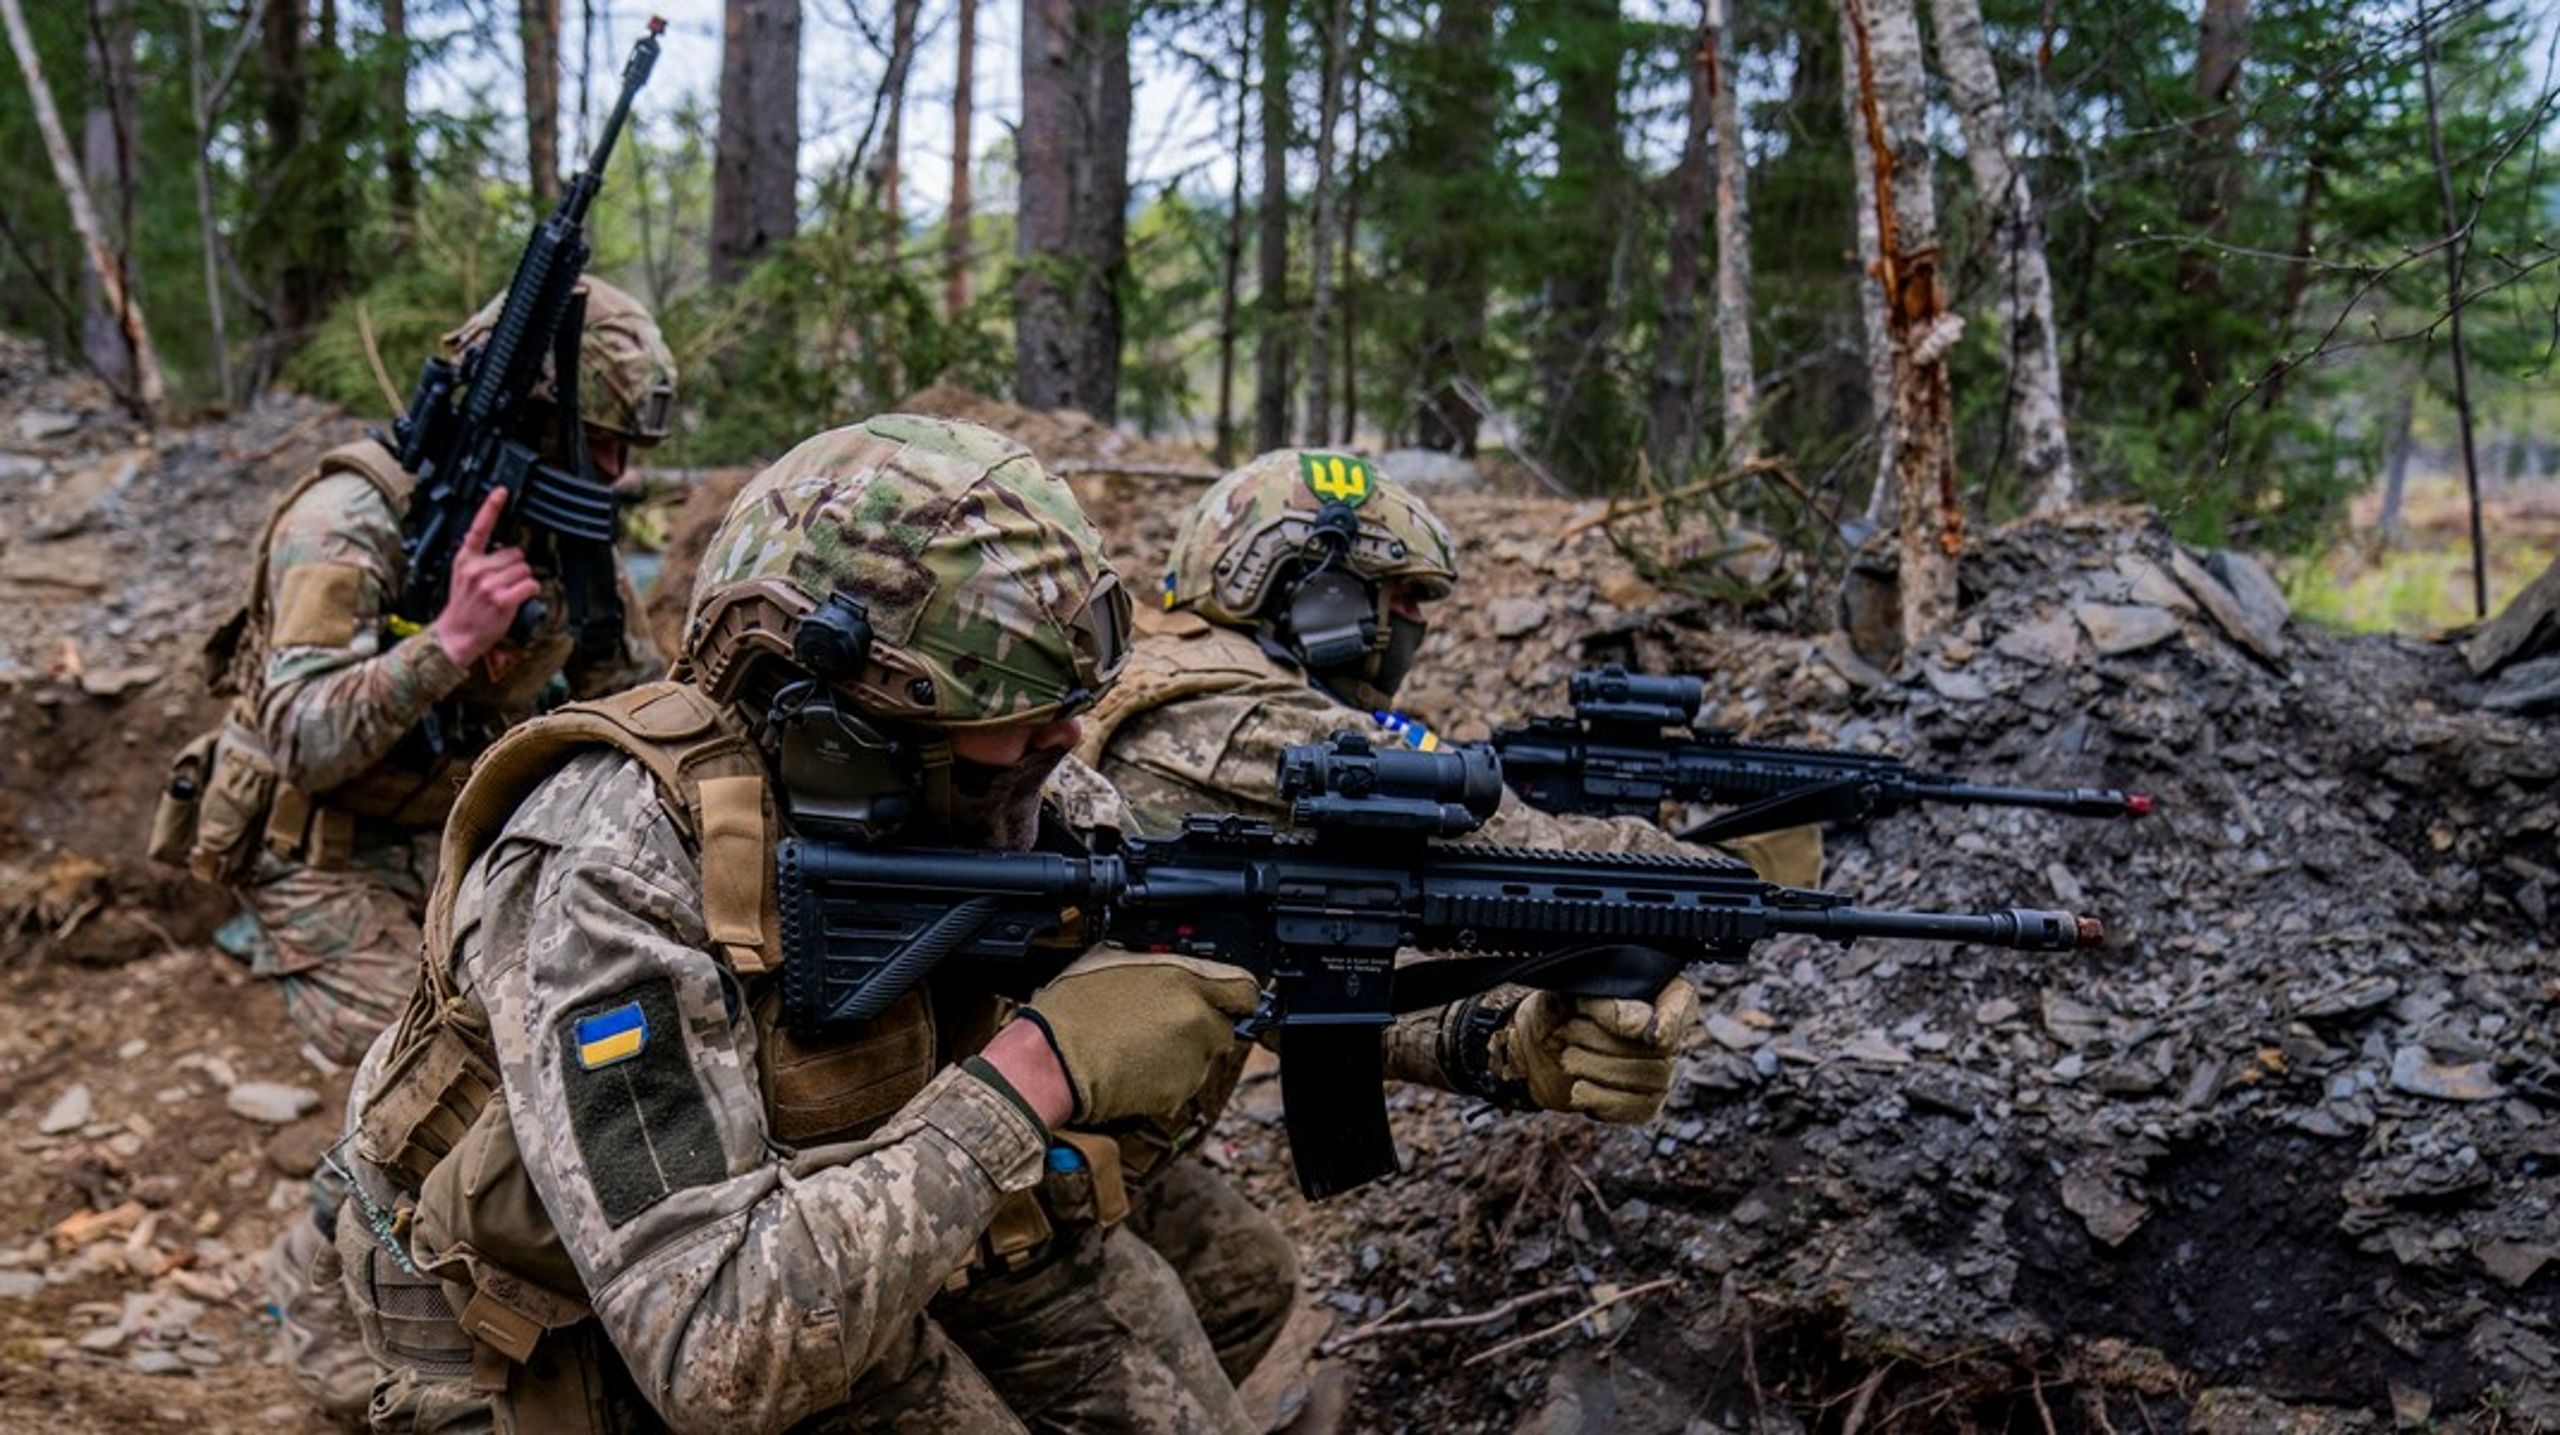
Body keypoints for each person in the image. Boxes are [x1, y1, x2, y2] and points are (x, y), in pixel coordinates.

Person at [332, 414, 1272, 1432]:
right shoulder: (608, 862)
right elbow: (713, 1355)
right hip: (561, 1328)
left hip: (817, 1216)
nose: (1068, 737)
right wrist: (1036, 1071)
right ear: (845, 727)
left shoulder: (987, 781)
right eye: (1021, 713)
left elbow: (1191, 931)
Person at [1076, 448, 1815, 1383]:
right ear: (1315, 594)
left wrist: (1496, 1041)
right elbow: (1535, 851)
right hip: (999, 1145)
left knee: (1242, 1282)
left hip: (1074, 1109)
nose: (1416, 623)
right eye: (1399, 595)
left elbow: (1289, 973)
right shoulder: (1245, 724)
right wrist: (1735, 881)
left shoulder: (1163, 670)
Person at [170, 276, 675, 1423]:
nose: (616, 475)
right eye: (598, 444)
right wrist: (451, 641)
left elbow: (634, 697)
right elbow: (301, 738)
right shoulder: (354, 515)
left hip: (456, 845)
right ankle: (328, 1308)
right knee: (422, 1094)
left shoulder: (561, 539)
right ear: (542, 424)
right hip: (322, 849)